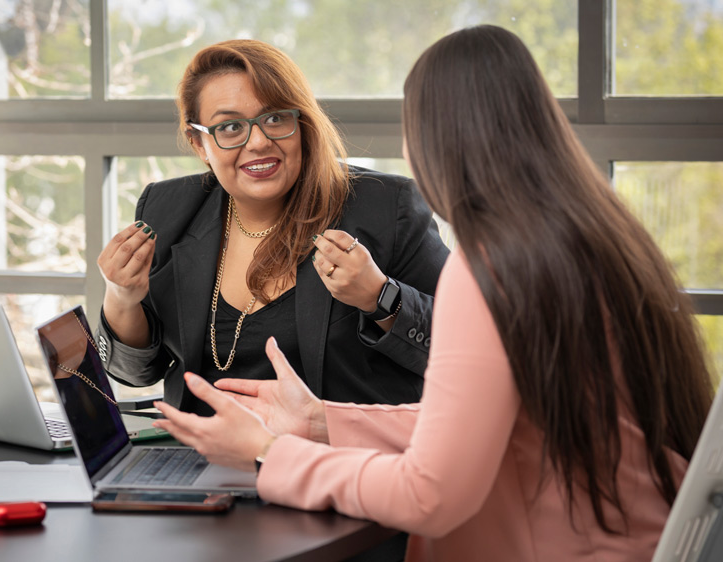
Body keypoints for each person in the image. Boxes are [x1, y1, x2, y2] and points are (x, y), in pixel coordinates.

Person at [151, 25, 717, 561]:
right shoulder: (588, 235)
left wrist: (267, 453)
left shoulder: (492, 268)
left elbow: (431, 493)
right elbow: (489, 416)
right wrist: (324, 422)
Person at [95, 39, 450, 416]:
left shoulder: (386, 205)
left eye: (276, 118)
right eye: (230, 127)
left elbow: (466, 351)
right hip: (200, 460)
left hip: (334, 460)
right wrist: (121, 298)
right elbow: (136, 373)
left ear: (301, 122)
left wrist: (380, 298)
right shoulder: (167, 209)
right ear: (199, 143)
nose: (260, 141)